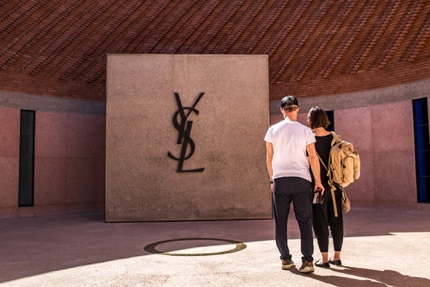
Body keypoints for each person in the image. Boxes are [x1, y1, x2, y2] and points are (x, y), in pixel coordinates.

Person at [264, 96, 324, 273]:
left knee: (280, 223)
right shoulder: (305, 131)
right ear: (297, 109)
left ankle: (285, 259)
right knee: (305, 221)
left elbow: (269, 158)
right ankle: (308, 262)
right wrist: (318, 181)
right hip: (301, 180)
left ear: (282, 110)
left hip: (280, 181)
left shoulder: (272, 130)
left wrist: (271, 179)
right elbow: (313, 157)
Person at [307, 106, 344, 268]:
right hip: (335, 186)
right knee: (337, 221)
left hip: (318, 187)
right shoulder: (335, 137)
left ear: (311, 121)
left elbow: (308, 161)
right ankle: (337, 256)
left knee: (320, 222)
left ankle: (324, 259)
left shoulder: (310, 139)